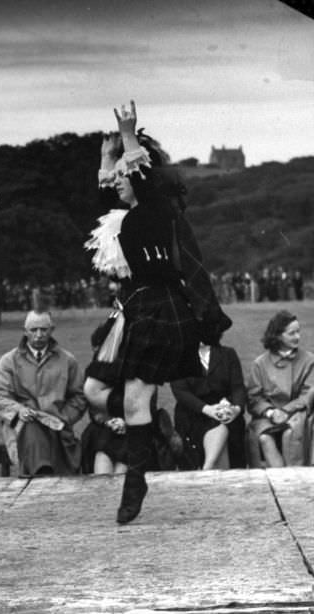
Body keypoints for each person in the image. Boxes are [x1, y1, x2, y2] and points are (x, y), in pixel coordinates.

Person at [82, 101, 230, 524]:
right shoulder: (122, 218)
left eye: (125, 179)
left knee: (133, 399)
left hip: (158, 308)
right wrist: (106, 156)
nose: (119, 185)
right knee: (94, 391)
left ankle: (136, 478)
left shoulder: (159, 211)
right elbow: (106, 191)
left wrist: (129, 138)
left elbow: (145, 181)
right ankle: (148, 429)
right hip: (129, 311)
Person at [0, 311, 86, 477]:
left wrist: (64, 417)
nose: (39, 335)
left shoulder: (67, 360)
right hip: (23, 425)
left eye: (44, 329)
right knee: (31, 428)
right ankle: (41, 475)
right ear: (25, 331)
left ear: (52, 330)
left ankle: (43, 476)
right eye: (33, 330)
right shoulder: (8, 361)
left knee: (64, 458)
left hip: (58, 426)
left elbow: (79, 397)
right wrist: (19, 410)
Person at [247, 310, 314, 467]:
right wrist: (271, 412)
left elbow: (308, 394)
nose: (297, 337)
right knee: (263, 437)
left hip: (297, 413)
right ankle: (280, 480)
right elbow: (253, 398)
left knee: (290, 433)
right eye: (292, 333)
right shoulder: (260, 363)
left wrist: (285, 411)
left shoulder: (309, 360)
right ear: (278, 335)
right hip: (267, 416)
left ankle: (292, 478)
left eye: (298, 332)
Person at [170, 336, 247, 470]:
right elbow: (181, 392)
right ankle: (210, 468)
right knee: (217, 426)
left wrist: (235, 409)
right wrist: (208, 410)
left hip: (226, 409)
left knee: (226, 424)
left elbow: (238, 387)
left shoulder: (228, 354)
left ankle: (209, 469)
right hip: (193, 413)